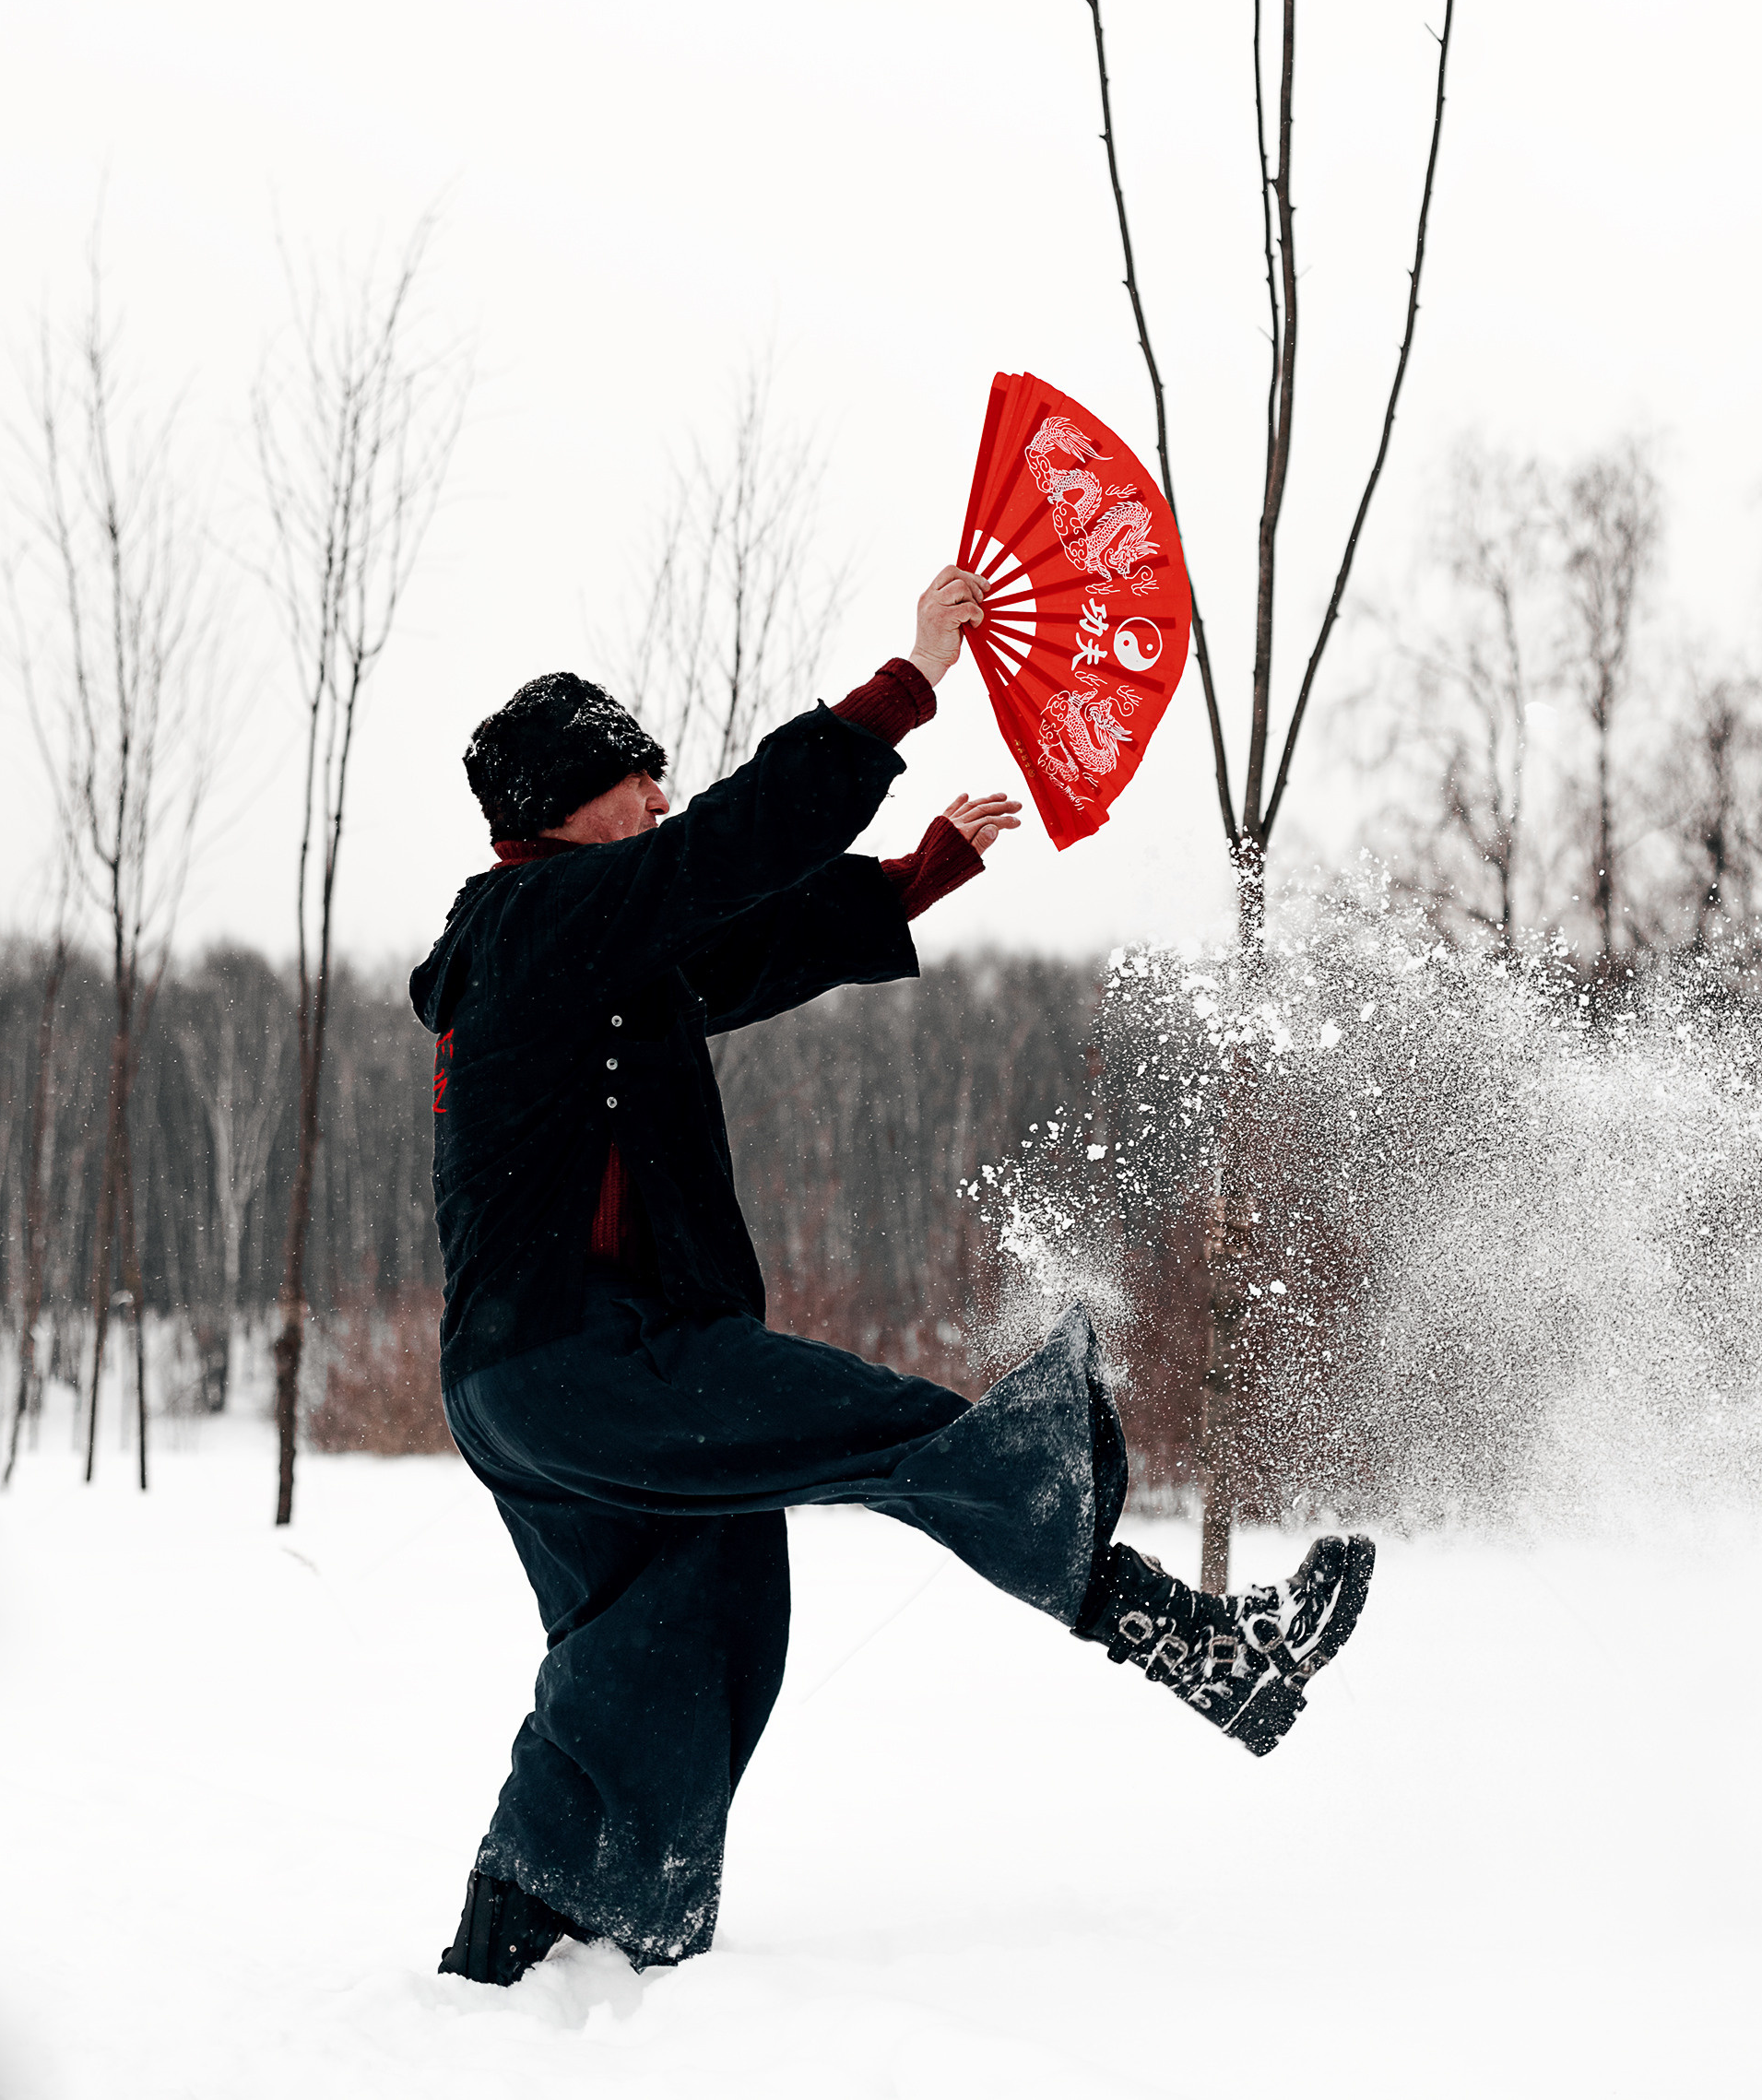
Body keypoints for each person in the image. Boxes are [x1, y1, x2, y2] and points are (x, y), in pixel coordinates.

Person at [415, 563, 1374, 1985]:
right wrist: (906, 682)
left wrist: (922, 871)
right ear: (559, 803)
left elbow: (733, 945)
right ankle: (1185, 1639)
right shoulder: (536, 923)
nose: (660, 800)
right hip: (593, 1360)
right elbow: (717, 861)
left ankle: (532, 1937)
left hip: (533, 1383)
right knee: (906, 1432)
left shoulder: (573, 955)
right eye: (638, 781)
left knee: (684, 1620)